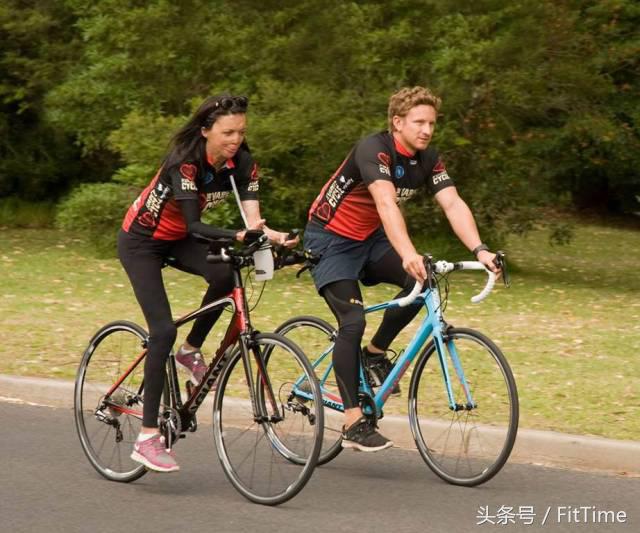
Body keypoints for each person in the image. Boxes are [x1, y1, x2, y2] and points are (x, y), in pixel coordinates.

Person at [303, 86, 501, 452]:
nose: (427, 130)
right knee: (353, 321)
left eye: (432, 123)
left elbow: (453, 203)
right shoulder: (373, 149)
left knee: (422, 282)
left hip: (370, 239)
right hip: (330, 240)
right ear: (397, 123)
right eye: (419, 122)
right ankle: (352, 422)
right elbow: (385, 202)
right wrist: (408, 251)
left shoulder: (428, 159)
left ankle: (375, 354)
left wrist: (481, 249)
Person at [118, 94, 296, 472]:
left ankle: (191, 350)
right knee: (161, 331)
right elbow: (197, 226)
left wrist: (273, 238)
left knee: (223, 273)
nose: (235, 139)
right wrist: (237, 235)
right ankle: (148, 437)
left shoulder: (243, 163)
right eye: (228, 132)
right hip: (142, 241)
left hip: (179, 238)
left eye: (241, 132)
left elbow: (253, 224)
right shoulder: (185, 163)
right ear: (205, 131)